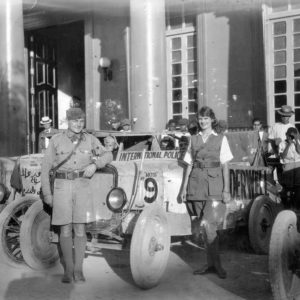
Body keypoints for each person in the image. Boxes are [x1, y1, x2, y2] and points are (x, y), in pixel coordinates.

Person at [41, 107, 113, 284]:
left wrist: (95, 165)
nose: (79, 124)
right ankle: (69, 270)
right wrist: (47, 194)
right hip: (62, 187)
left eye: (81, 121)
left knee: (80, 229)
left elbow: (108, 154)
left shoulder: (90, 139)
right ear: (68, 122)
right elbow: (45, 168)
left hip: (82, 186)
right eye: (75, 121)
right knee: (65, 229)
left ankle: (79, 270)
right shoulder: (56, 140)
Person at [179, 106, 233, 279]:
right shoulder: (193, 139)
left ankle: (217, 265)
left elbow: (225, 165)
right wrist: (183, 189)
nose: (203, 122)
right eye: (200, 119)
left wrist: (226, 189)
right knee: (204, 227)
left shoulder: (221, 139)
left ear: (212, 120)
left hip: (215, 187)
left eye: (206, 119)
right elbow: (188, 165)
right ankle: (210, 264)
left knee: (209, 225)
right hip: (196, 185)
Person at [268, 105, 295, 184]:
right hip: (274, 155)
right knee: (269, 174)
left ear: (289, 116)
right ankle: (272, 192)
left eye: (286, 116)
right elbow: (272, 140)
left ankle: (283, 193)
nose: (284, 117)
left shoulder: (292, 127)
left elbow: (292, 143)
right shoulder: (276, 126)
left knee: (282, 176)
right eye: (283, 115)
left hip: (285, 156)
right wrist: (275, 151)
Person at [278, 127, 300, 208]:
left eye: (292, 136)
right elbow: (283, 156)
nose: (290, 137)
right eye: (288, 136)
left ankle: (297, 205)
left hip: (297, 165)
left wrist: (296, 141)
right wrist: (289, 144)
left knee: (298, 186)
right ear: (286, 135)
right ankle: (287, 205)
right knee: (288, 187)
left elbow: (299, 151)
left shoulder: (298, 142)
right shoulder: (282, 144)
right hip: (288, 166)